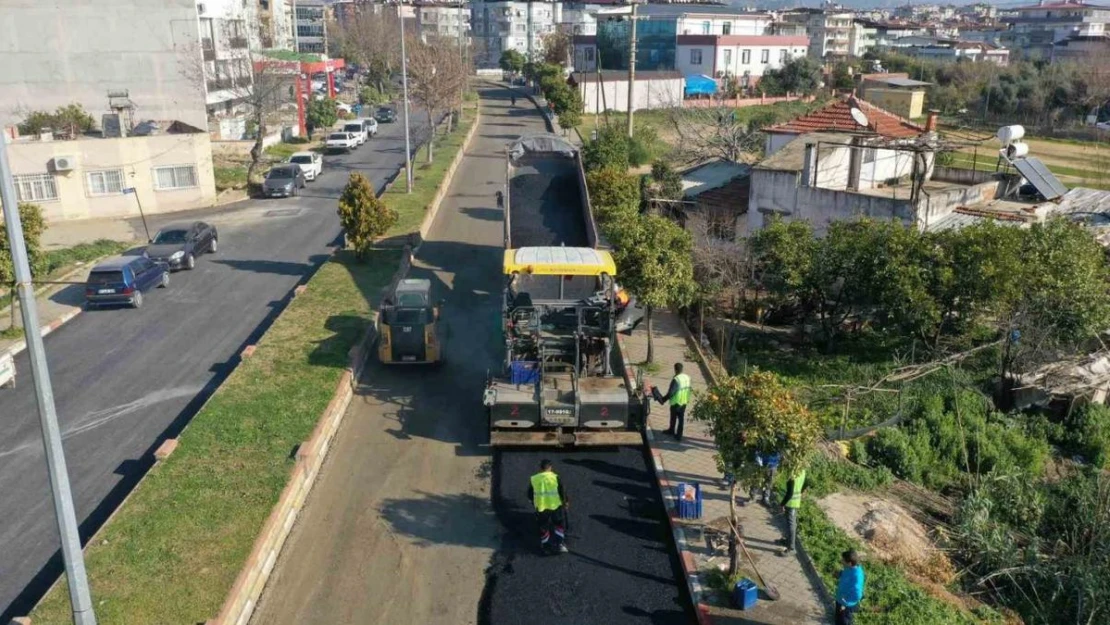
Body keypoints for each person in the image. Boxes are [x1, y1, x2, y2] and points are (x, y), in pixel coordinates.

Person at [528, 459, 569, 554]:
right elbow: (562, 491)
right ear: (550, 467)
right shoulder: (555, 477)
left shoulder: (534, 478)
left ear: (541, 468)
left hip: (542, 506)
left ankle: (545, 545)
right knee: (559, 523)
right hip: (555, 505)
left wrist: (533, 503)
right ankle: (560, 544)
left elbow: (530, 493)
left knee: (543, 526)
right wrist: (565, 502)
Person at [656, 363, 692, 440]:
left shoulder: (676, 379)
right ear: (682, 369)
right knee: (681, 418)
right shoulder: (687, 377)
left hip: (676, 402)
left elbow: (671, 392)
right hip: (684, 401)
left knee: (673, 417)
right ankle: (679, 435)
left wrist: (663, 400)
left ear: (675, 370)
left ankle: (671, 430)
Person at [778, 466, 807, 555]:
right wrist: (801, 491)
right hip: (791, 502)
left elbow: (790, 493)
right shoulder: (802, 470)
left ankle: (791, 548)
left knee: (791, 524)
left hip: (791, 503)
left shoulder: (791, 474)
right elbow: (806, 482)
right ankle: (788, 541)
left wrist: (782, 504)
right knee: (789, 523)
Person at [835, 549, 865, 624]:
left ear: (850, 563)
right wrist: (840, 574)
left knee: (845, 621)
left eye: (843, 560)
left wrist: (846, 602)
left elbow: (858, 594)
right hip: (840, 600)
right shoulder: (849, 568)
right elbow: (846, 574)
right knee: (838, 619)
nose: (841, 561)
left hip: (846, 605)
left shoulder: (857, 576)